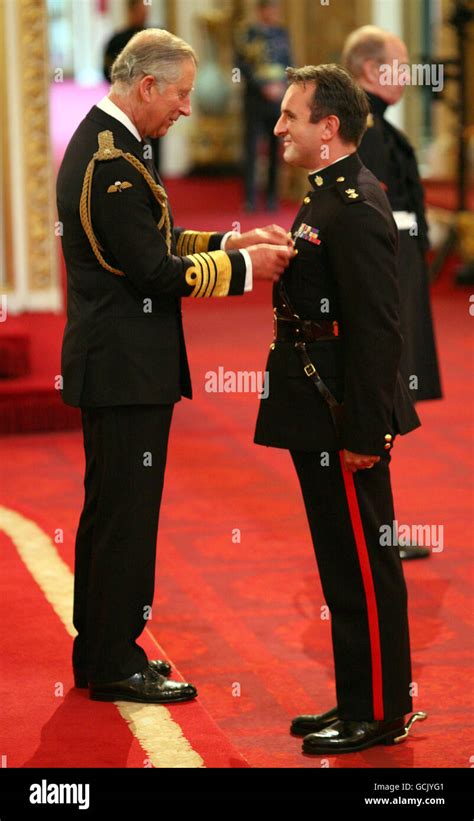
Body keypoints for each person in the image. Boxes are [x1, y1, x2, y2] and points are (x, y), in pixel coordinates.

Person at [58, 28, 294, 705]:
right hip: (124, 368)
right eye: (182, 94)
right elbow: (158, 271)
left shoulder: (121, 150)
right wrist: (249, 266)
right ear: (147, 86)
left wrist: (229, 239)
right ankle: (112, 660)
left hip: (122, 365)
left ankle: (105, 648)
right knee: (125, 517)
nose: (187, 108)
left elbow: (152, 238)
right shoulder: (110, 164)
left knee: (114, 514)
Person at [254, 64, 427, 753]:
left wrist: (367, 429)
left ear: (329, 128)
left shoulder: (353, 203)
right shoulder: (326, 193)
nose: (279, 128)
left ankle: (383, 709)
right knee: (339, 561)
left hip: (344, 414)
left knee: (363, 559)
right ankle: (358, 695)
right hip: (316, 404)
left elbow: (381, 328)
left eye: (291, 117)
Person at [342, 26, 442, 561]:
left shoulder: (372, 124)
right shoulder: (370, 129)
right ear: (371, 70)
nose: (407, 76)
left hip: (397, 268)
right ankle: (377, 532)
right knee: (383, 401)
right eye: (399, 65)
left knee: (385, 405)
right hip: (391, 274)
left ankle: (378, 529)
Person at [235, 0, 292, 211]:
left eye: (276, 8)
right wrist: (263, 87)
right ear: (261, 10)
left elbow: (289, 62)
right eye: (270, 8)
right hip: (255, 99)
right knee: (251, 149)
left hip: (277, 99)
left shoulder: (281, 34)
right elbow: (241, 65)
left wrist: (281, 86)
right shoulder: (247, 34)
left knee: (275, 148)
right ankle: (249, 198)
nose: (273, 13)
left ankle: (271, 198)